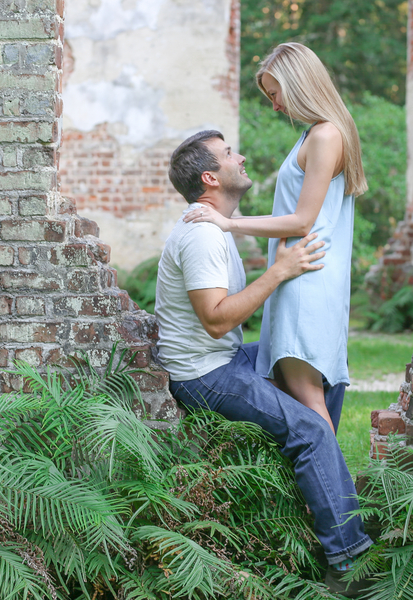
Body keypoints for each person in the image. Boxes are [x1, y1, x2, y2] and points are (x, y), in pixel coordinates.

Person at [155, 130, 372, 597]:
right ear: (211, 177)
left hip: (226, 357)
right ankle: (349, 562)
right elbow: (215, 321)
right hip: (203, 374)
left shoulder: (220, 227)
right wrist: (280, 271)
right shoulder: (202, 237)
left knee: (313, 363)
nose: (243, 156)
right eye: (230, 153)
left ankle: (326, 493)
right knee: (310, 430)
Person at [184, 43, 365, 435]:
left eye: (274, 92)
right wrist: (241, 218)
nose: (274, 105)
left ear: (297, 82)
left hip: (305, 280)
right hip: (302, 275)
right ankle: (315, 496)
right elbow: (294, 213)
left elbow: (301, 222)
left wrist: (230, 225)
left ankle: (337, 498)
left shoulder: (325, 136)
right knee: (304, 394)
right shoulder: (315, 134)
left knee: (308, 401)